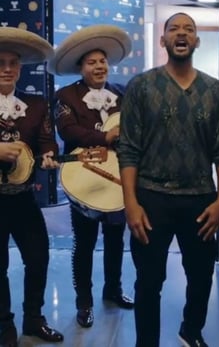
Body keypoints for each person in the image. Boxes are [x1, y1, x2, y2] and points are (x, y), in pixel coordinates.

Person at [116, 12, 219, 347]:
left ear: (197, 41)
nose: (181, 34)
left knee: (200, 277)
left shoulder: (215, 91)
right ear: (163, 40)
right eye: (174, 29)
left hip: (200, 199)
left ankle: (191, 330)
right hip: (151, 198)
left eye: (189, 29)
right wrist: (131, 203)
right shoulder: (141, 86)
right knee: (149, 280)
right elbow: (128, 150)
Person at [47, 25, 134, 329]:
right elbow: (67, 132)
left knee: (114, 238)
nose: (99, 67)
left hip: (116, 177)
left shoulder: (121, 93)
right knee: (84, 242)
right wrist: (106, 135)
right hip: (82, 176)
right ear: (80, 67)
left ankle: (113, 290)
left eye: (102, 61)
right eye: (91, 62)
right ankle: (84, 302)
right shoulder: (65, 96)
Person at [0, 27, 64, 346]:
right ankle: (4, 327)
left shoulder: (36, 104)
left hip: (23, 199)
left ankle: (33, 320)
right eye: (0, 63)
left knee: (38, 258)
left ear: (20, 68)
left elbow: (45, 140)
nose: (7, 69)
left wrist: (49, 154)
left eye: (13, 63)